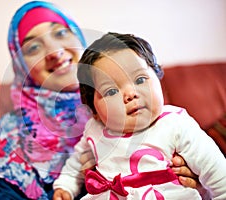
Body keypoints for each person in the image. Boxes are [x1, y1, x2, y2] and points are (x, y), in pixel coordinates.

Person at [0, 1, 203, 199]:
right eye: (33, 47)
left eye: (60, 33)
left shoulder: (134, 104)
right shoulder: (11, 138)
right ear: (21, 66)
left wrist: (190, 176)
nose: (54, 51)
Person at [53, 33, 226, 199]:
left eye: (140, 79)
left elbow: (216, 170)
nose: (131, 94)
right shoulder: (94, 129)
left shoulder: (175, 123)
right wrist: (65, 187)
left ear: (158, 77)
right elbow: (76, 163)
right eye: (111, 91)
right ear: (94, 111)